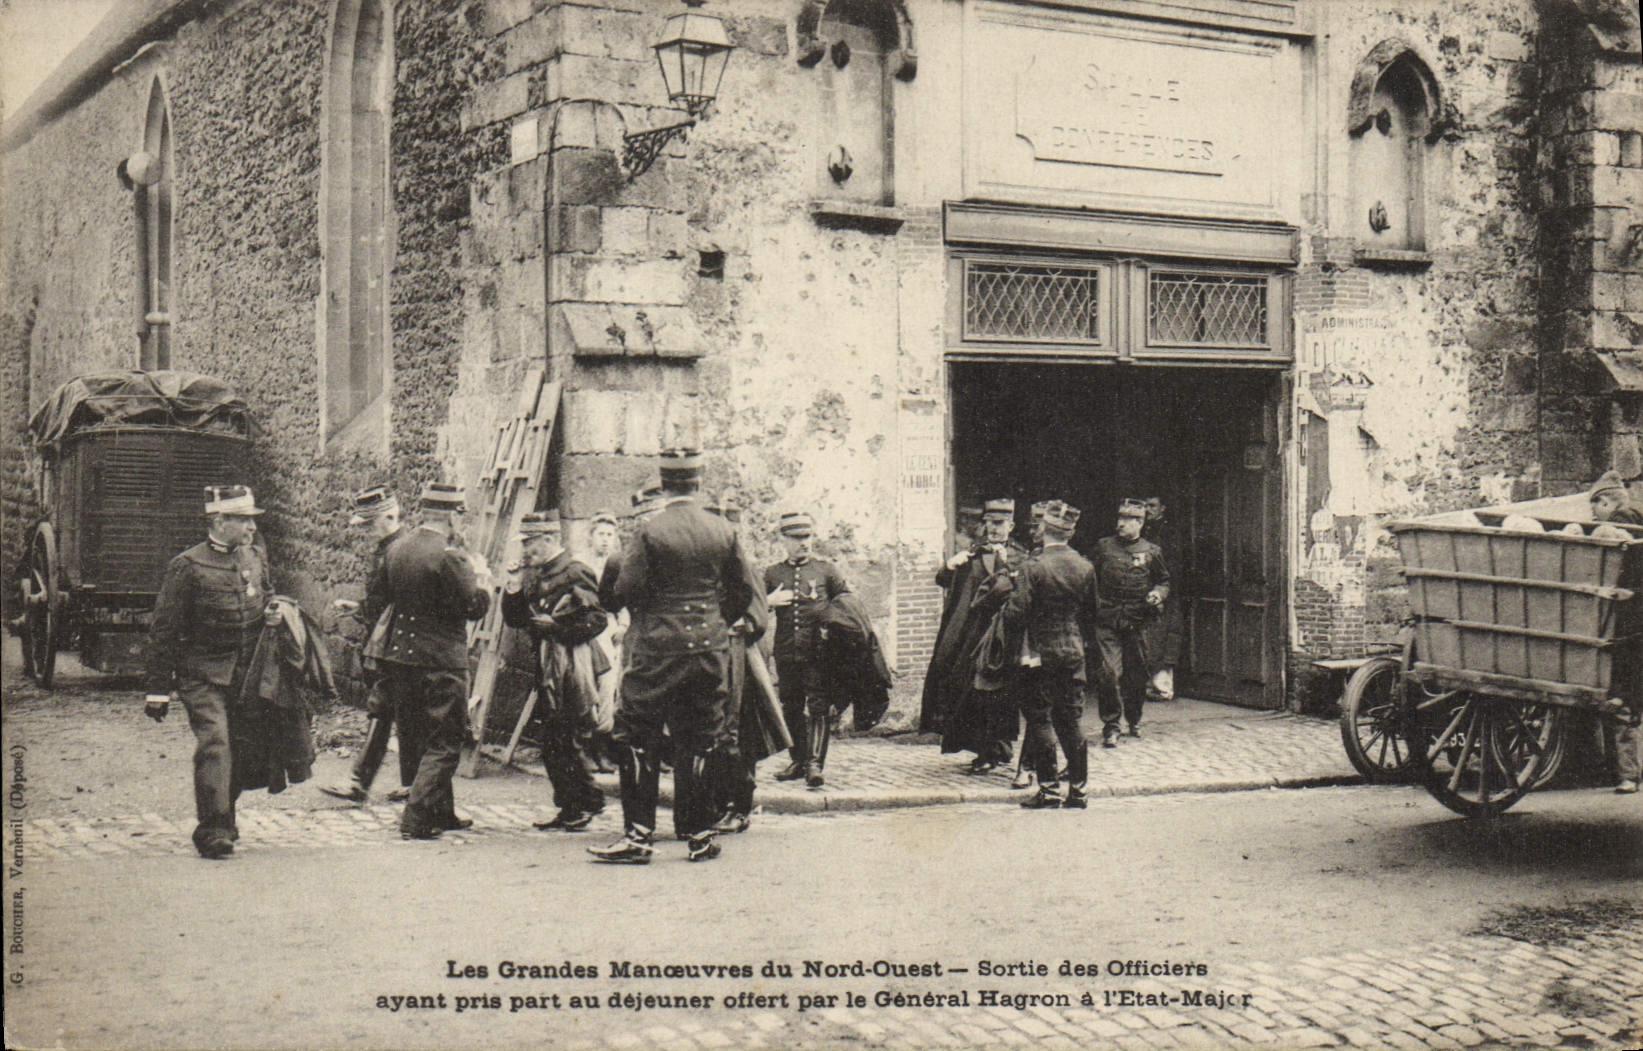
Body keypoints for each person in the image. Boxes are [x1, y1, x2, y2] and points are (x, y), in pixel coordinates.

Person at [589, 450, 762, 864]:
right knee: (701, 738)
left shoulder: (649, 530)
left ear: (664, 485)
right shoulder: (722, 529)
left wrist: (652, 616)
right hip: (707, 650)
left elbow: (625, 591)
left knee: (636, 738)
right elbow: (743, 592)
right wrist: (714, 622)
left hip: (655, 651)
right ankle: (700, 835)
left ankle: (639, 835)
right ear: (698, 484)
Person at [144, 485, 274, 859]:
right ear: (220, 521)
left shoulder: (254, 558)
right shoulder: (188, 565)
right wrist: (157, 689)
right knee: (215, 742)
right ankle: (212, 828)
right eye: (243, 520)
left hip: (244, 673)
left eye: (251, 520)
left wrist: (275, 611)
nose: (251, 528)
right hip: (201, 675)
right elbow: (164, 630)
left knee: (240, 746)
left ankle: (225, 818)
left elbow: (267, 595)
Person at [365, 482, 492, 839]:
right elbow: (472, 607)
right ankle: (417, 818)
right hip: (441, 662)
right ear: (452, 516)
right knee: (446, 741)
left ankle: (442, 812)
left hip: (402, 660)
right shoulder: (450, 555)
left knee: (422, 737)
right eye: (460, 516)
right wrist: (482, 581)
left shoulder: (397, 548)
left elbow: (380, 600)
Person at [502, 511, 610, 829]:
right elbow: (516, 619)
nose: (525, 552)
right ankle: (570, 806)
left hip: (574, 667)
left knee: (569, 737)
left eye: (530, 544)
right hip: (548, 667)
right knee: (552, 741)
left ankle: (587, 803)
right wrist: (513, 586)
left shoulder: (576, 572)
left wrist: (558, 626)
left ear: (549, 540)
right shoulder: (535, 574)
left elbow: (597, 619)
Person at [318, 485, 412, 805]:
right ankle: (411, 784)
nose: (368, 532)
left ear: (390, 515)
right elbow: (380, 600)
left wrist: (367, 613)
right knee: (394, 711)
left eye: (372, 524)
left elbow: (397, 603)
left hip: (395, 646)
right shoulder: (388, 547)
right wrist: (358, 608)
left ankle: (361, 782)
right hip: (387, 644)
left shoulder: (400, 550)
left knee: (383, 709)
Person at [1002, 500, 1099, 810]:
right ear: (1069, 533)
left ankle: (1049, 791)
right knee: (1071, 719)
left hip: (1039, 654)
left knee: (1040, 719)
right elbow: (1092, 613)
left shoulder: (1034, 566)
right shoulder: (1085, 566)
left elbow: (1016, 614)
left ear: (1045, 529)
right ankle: (1080, 792)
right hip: (1072, 650)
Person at [926, 497, 1029, 773]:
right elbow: (942, 580)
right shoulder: (972, 554)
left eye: (1000, 524)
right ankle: (984, 750)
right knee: (974, 691)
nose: (995, 529)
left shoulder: (1022, 556)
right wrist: (950, 565)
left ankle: (1000, 748)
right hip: (974, 634)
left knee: (1002, 693)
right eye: (990, 524)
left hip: (1005, 635)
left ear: (1011, 525)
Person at [703, 495, 780, 834]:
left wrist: (740, 624)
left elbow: (758, 615)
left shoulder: (743, 567)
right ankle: (718, 804)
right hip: (711, 658)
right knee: (712, 733)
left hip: (740, 662)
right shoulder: (704, 569)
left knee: (739, 736)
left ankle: (740, 806)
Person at [766, 511, 850, 788]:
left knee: (817, 706)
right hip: (787, 651)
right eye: (797, 538)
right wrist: (770, 600)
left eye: (808, 536)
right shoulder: (773, 573)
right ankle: (798, 760)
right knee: (790, 705)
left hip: (818, 654)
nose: (804, 543)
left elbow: (848, 605)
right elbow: (754, 606)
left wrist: (833, 626)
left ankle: (815, 764)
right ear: (783, 539)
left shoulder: (827, 571)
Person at [1092, 498, 1170, 749]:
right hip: (1108, 621)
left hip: (1138, 622)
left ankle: (1134, 719)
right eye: (1120, 518)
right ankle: (1111, 726)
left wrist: (1158, 593)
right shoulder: (1103, 548)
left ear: (1140, 523)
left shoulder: (1151, 551)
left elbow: (1164, 581)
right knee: (1109, 673)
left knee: (1136, 675)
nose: (1121, 524)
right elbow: (1088, 577)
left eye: (1128, 520)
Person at [1589, 471, 1641, 793]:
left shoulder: (1622, 521)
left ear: (1605, 501)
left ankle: (1628, 776)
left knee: (1624, 696)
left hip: (1633, 622)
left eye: (1595, 509)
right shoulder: (1635, 515)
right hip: (1632, 617)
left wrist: (1630, 593)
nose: (1593, 517)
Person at [1141, 496, 1183, 703]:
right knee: (1147, 638)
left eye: (1152, 506)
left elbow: (1172, 565)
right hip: (1146, 591)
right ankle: (1146, 685)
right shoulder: (1142, 531)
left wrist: (1164, 591)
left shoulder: (1168, 534)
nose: (1148, 510)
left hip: (1165, 591)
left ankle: (1162, 687)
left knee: (1164, 638)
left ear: (1162, 508)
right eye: (1145, 506)